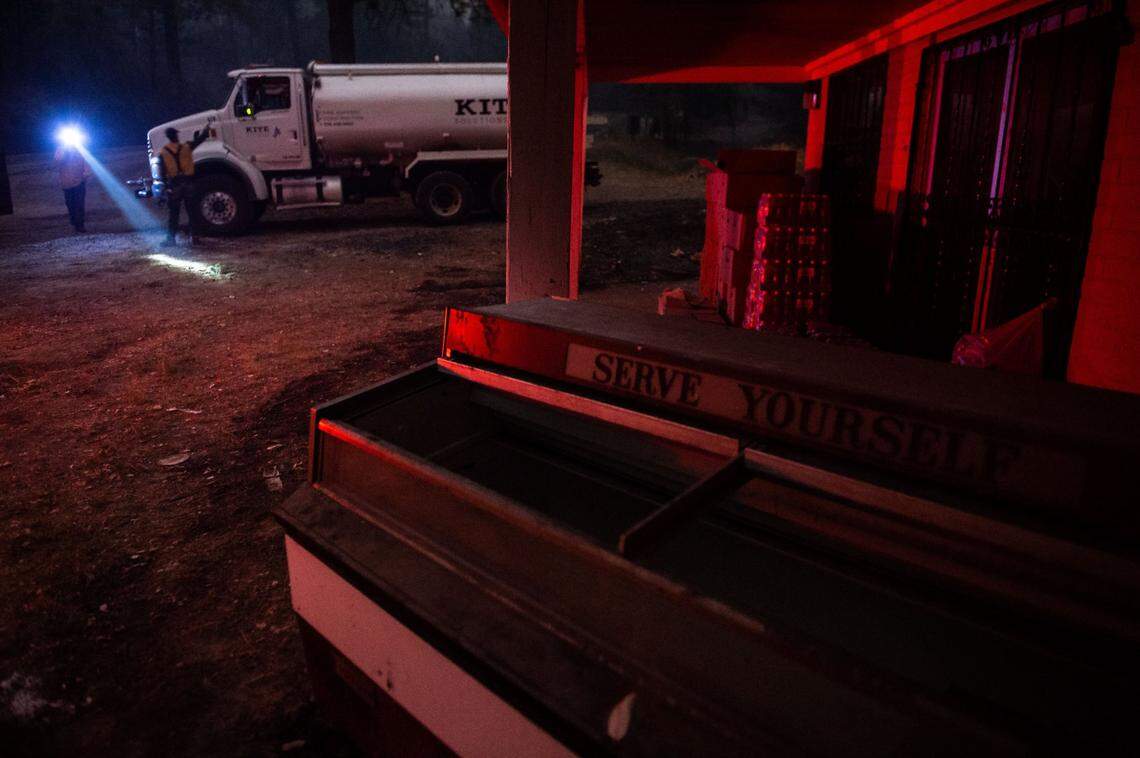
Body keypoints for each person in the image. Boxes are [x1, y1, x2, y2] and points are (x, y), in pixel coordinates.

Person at [158, 125, 209, 245]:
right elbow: (199, 140)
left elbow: (162, 172)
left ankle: (171, 239)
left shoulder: (163, 152)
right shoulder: (186, 147)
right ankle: (195, 237)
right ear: (176, 135)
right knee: (192, 211)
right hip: (188, 182)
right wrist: (205, 132)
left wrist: (165, 187)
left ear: (168, 137)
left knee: (174, 213)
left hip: (174, 184)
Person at [54, 144, 91, 233]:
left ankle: (80, 224)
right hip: (66, 183)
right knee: (70, 203)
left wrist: (86, 174)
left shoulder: (81, 150)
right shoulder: (61, 149)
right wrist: (64, 151)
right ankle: (74, 220)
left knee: (79, 203)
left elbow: (86, 163)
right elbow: (57, 161)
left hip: (79, 181)